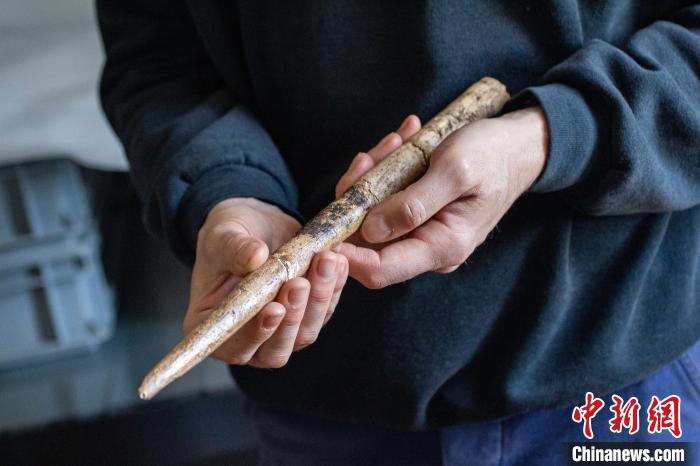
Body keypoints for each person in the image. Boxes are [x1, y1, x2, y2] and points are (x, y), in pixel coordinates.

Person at [97, 1, 700, 464]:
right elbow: (157, 52)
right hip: (325, 408)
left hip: (620, 384)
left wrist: (553, 134)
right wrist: (228, 185)